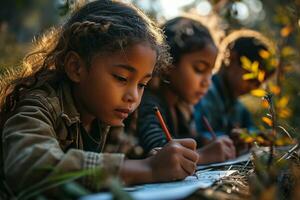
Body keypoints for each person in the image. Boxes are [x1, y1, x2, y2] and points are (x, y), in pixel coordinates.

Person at [0, 0, 199, 194]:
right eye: (121, 78)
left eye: (142, 84)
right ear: (76, 67)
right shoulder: (40, 106)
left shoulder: (106, 117)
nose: (133, 96)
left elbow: (129, 154)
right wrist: (148, 169)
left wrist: (155, 158)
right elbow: (32, 166)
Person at [137, 16, 236, 165]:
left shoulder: (182, 107)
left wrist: (212, 143)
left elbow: (181, 139)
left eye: (211, 72)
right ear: (168, 64)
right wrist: (204, 155)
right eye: (199, 69)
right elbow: (160, 154)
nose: (207, 83)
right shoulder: (150, 103)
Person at [194, 30, 277, 155]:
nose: (254, 87)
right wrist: (232, 139)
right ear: (232, 57)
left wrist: (255, 136)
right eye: (252, 78)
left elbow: (250, 128)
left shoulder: (239, 107)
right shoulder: (200, 95)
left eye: (260, 83)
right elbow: (194, 136)